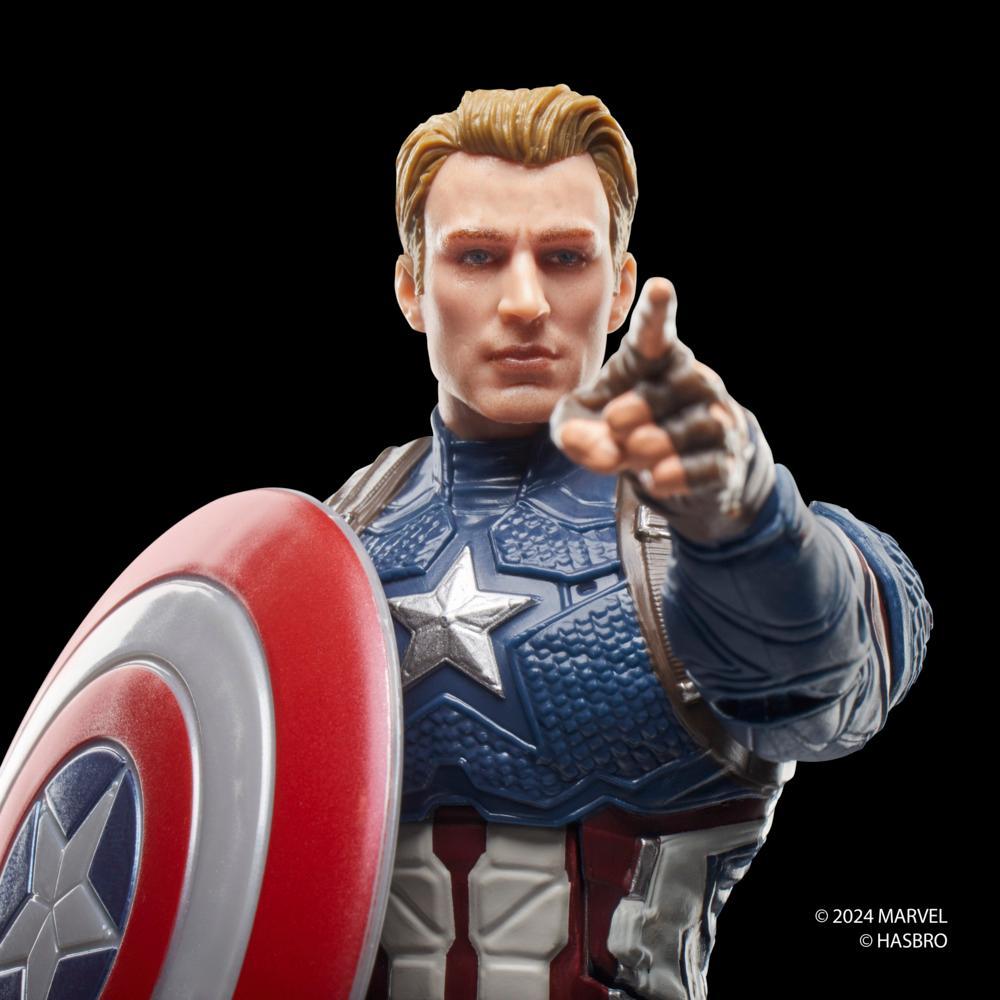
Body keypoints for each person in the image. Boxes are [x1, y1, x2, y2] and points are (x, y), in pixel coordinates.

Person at [326, 84, 932, 1000]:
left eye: (565, 257)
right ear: (413, 286)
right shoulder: (334, 541)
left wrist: (745, 528)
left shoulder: (681, 531)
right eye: (478, 256)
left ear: (617, 283)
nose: (524, 301)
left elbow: (827, 686)